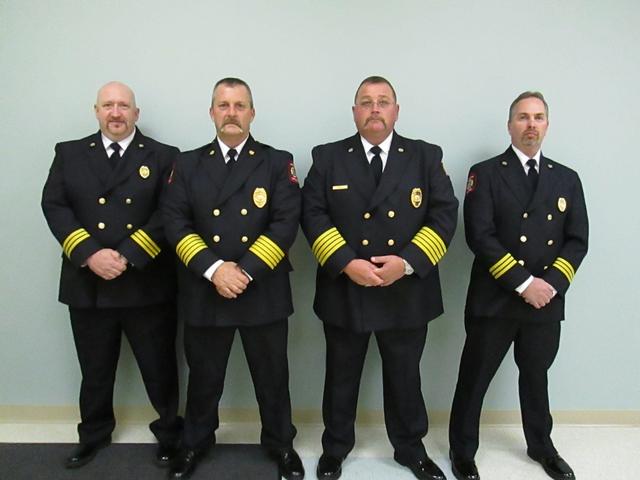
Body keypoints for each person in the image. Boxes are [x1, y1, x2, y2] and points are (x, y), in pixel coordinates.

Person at [301, 76, 458, 480]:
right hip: (346, 286)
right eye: (366, 102)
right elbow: (313, 215)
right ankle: (335, 449)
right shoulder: (328, 157)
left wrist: (404, 263)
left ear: (396, 110)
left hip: (405, 289)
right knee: (341, 375)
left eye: (383, 101)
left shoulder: (424, 156)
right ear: (354, 112)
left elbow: (443, 215)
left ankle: (410, 448)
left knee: (406, 376)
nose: (375, 109)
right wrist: (347, 262)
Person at [163, 77, 304, 480]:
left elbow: (284, 222)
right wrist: (214, 269)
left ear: (252, 113)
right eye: (223, 106)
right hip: (206, 287)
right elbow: (175, 221)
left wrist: (242, 271)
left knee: (272, 376)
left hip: (261, 287)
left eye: (239, 105)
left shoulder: (277, 161)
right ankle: (195, 443)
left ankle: (281, 444)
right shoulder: (187, 164)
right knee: (204, 377)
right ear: (211, 113)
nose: (231, 113)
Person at [41, 81, 182, 468]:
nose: (115, 113)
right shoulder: (69, 153)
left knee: (160, 367)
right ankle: (93, 434)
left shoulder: (164, 156)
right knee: (95, 368)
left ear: (136, 113)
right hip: (88, 282)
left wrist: (127, 255)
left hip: (145, 282)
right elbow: (54, 205)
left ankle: (169, 433)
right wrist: (89, 254)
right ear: (96, 110)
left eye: (123, 106)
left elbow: (169, 213)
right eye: (108, 105)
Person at [448, 91, 589, 480]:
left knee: (536, 376)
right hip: (496, 298)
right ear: (509, 125)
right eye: (523, 117)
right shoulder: (486, 173)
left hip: (545, 301)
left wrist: (549, 286)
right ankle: (462, 451)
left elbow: (578, 240)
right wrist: (524, 283)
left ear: (547, 125)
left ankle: (542, 446)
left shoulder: (567, 178)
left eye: (538, 117)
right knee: (474, 377)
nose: (531, 125)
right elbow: (480, 235)